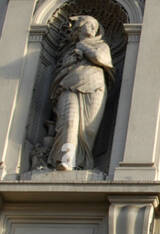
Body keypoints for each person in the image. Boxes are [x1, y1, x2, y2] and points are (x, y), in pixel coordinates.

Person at [48, 15, 113, 171]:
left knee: (87, 130)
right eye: (89, 24)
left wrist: (83, 47)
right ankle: (66, 160)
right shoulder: (69, 50)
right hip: (68, 86)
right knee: (69, 122)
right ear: (79, 27)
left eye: (95, 27)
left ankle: (82, 163)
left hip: (94, 88)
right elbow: (60, 69)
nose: (92, 28)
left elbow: (100, 58)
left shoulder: (102, 46)